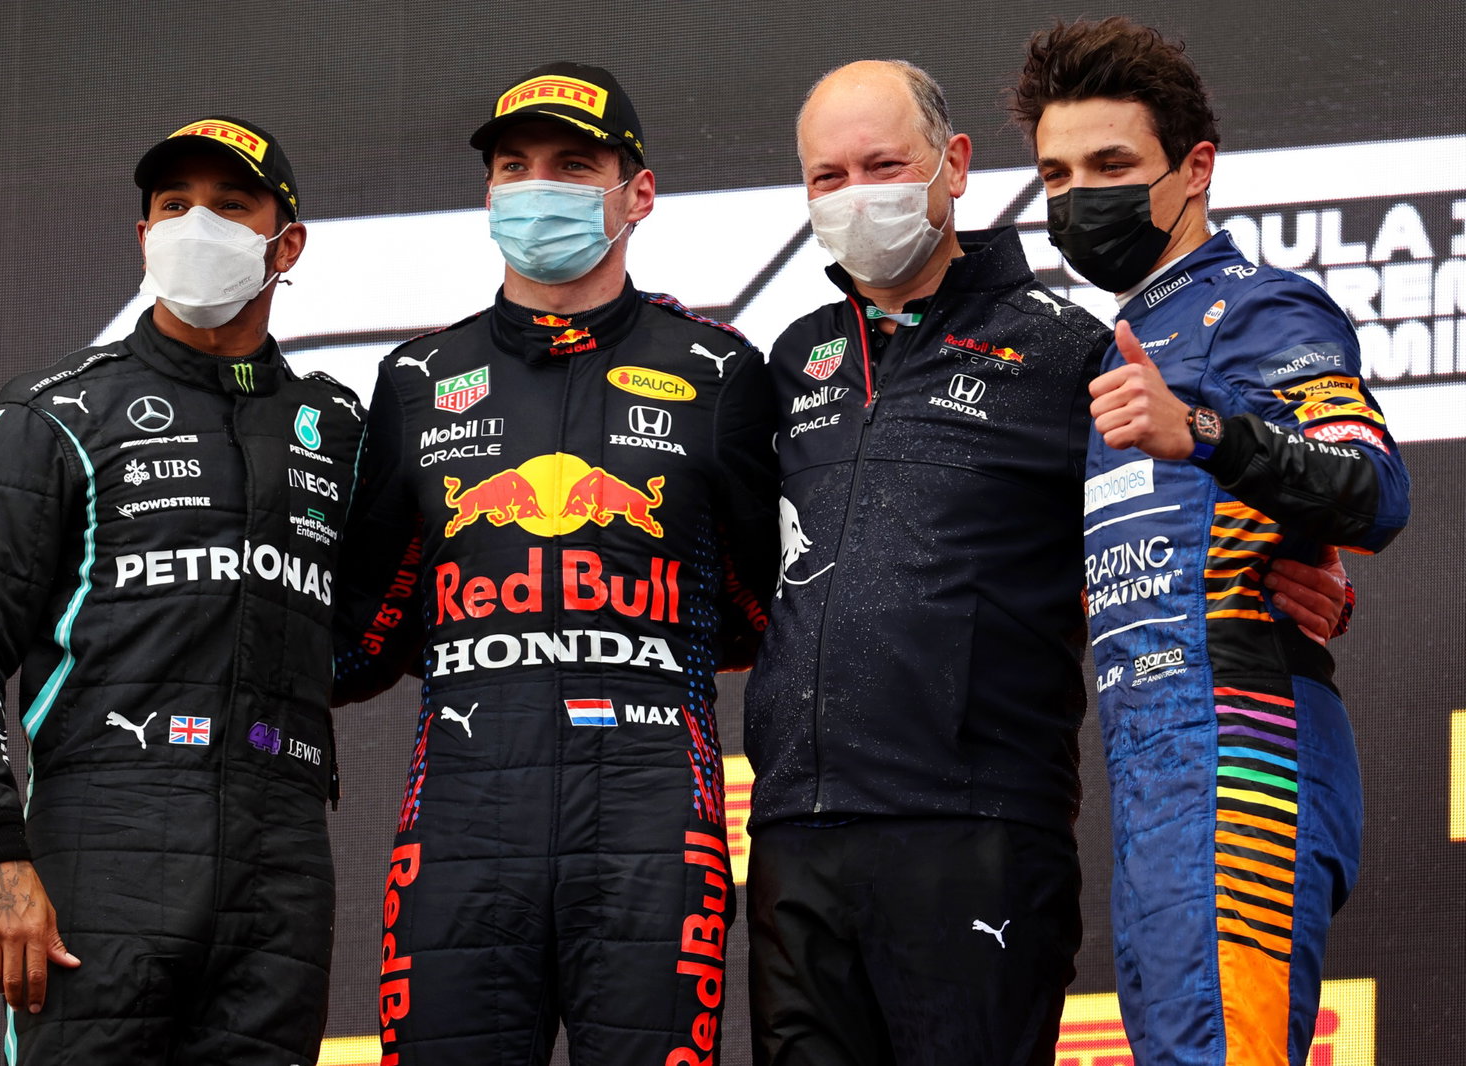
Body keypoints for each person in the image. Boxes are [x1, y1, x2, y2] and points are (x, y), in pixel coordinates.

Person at [739, 60, 1353, 1066]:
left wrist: (1299, 561)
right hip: (797, 829)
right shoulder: (791, 358)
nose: (857, 195)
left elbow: (1193, 500)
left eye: (883, 164)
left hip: (977, 823)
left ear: (953, 164)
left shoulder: (1073, 351)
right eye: (827, 176)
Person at [331, 62, 777, 1065]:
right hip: (459, 817)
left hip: (655, 816)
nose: (540, 186)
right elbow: (363, 631)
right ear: (488, 193)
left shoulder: (718, 372)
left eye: (573, 164)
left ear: (638, 192)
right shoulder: (417, 380)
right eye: (514, 166)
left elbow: (757, 609)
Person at [0, 116, 364, 1064]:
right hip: (100, 839)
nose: (199, 224)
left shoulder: (335, 425)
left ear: (287, 243)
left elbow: (371, 626)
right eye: (173, 205)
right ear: (145, 235)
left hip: (282, 852)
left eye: (231, 205)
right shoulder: (52, 413)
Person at [1011, 18, 1411, 1065]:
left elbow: (1371, 485)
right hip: (1154, 767)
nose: (1077, 196)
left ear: (1195, 170)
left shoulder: (1258, 308)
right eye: (1055, 172)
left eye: (1110, 164)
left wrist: (1200, 430)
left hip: (1242, 748)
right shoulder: (1114, 348)